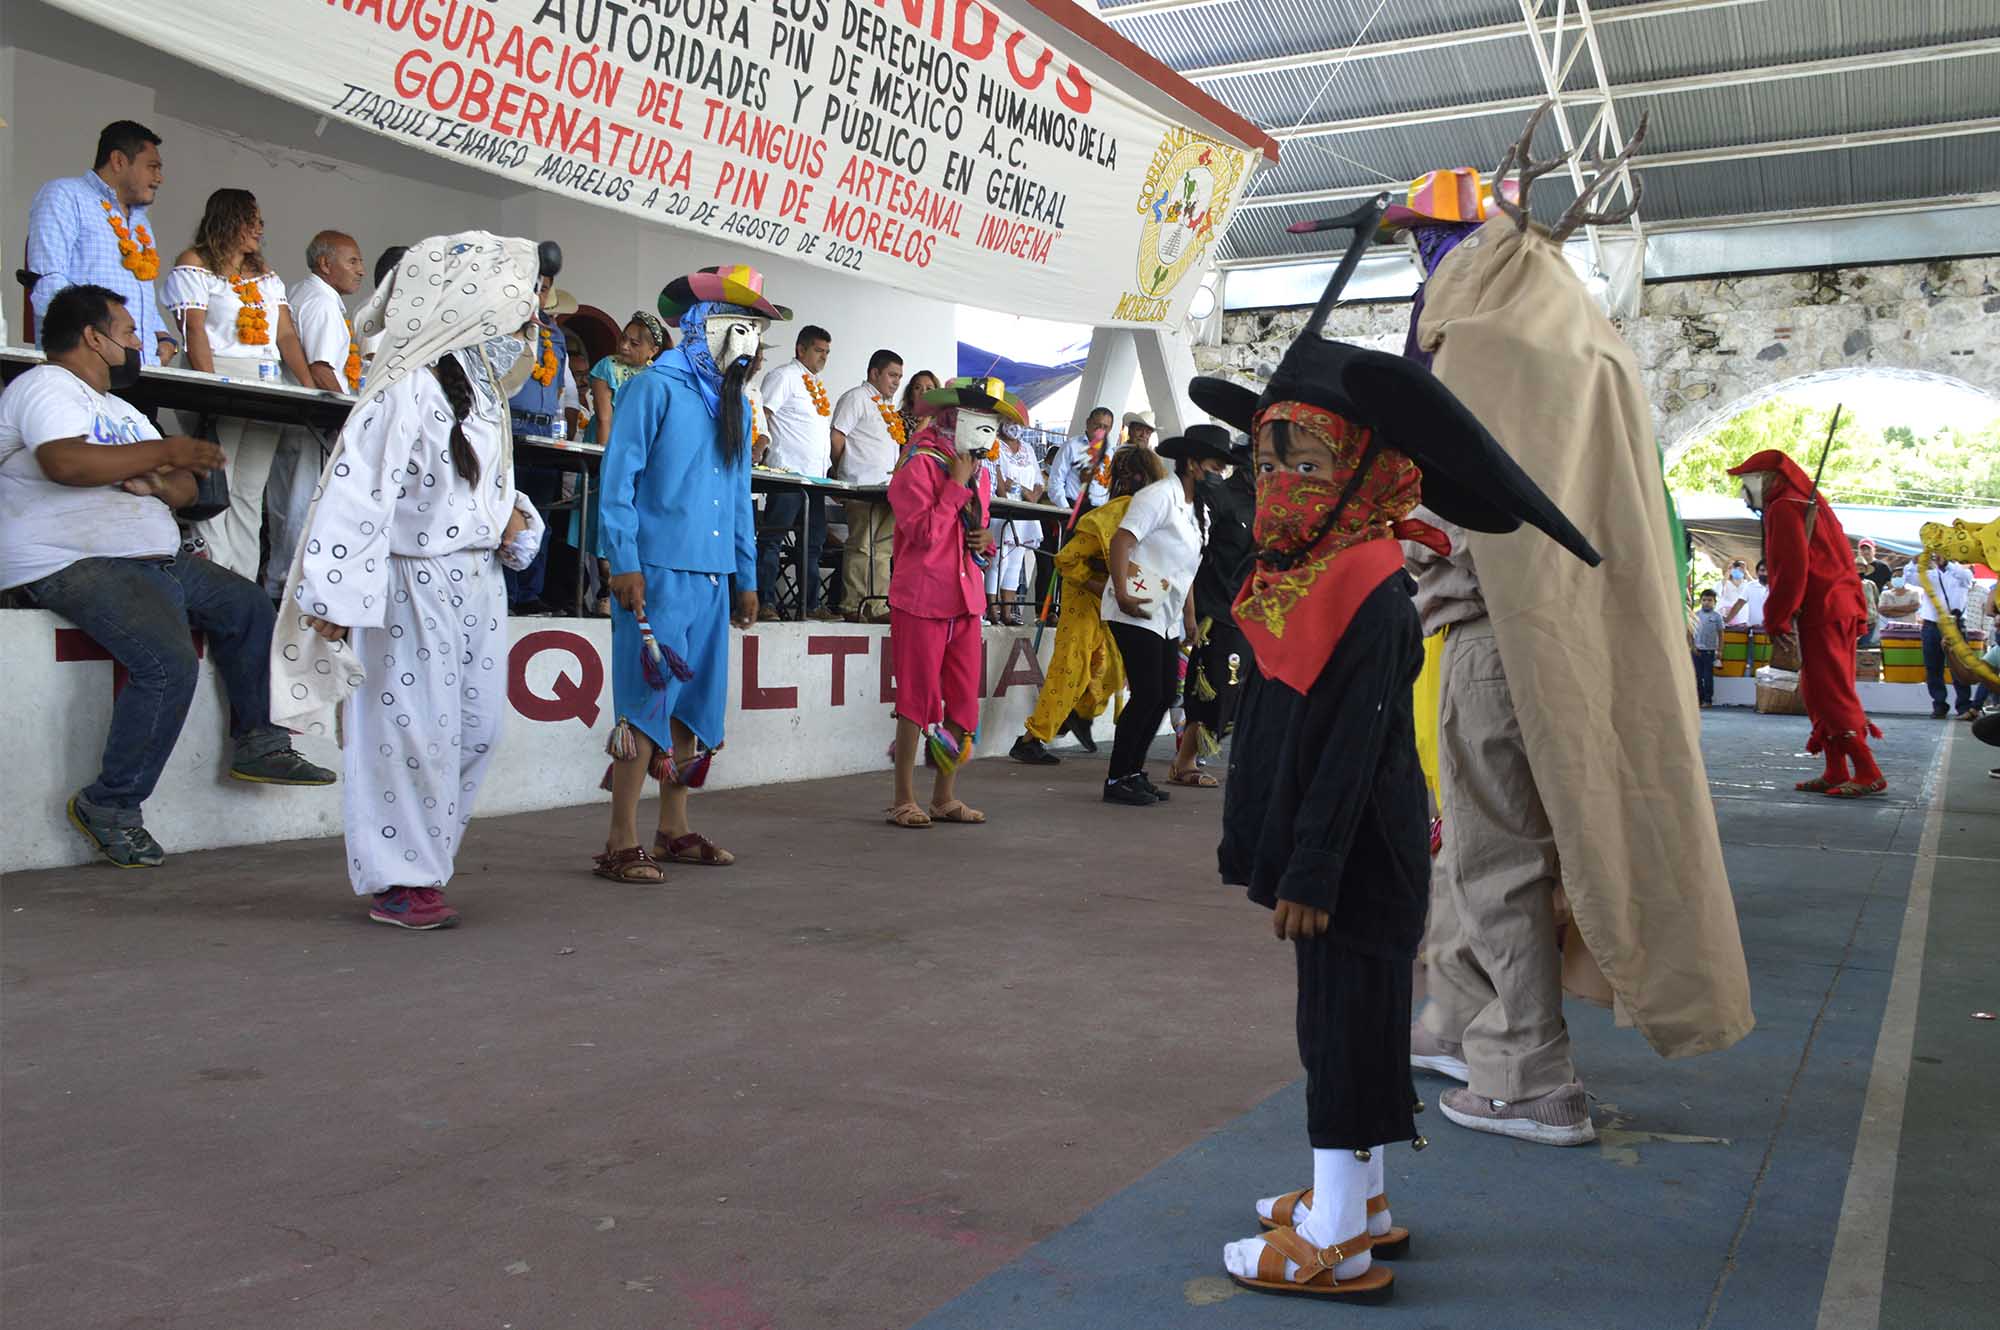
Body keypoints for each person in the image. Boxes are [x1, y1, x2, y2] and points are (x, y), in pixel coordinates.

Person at [1188, 203, 1602, 1298]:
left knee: (1342, 1032)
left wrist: (1312, 868)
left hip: (1353, 863)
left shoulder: (1365, 585)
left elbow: (1357, 742)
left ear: (1365, 470)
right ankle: (1357, 1197)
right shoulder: (1303, 572)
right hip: (1334, 860)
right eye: (1266, 448)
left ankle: (1331, 1230)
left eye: (1301, 452)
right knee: (1352, 1023)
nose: (1273, 474)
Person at [1392, 136, 1751, 1153]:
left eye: (1425, 239)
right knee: (1481, 838)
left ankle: (1524, 1074)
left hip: (1495, 628)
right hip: (1563, 631)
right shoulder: (1575, 332)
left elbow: (1446, 510)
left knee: (1497, 847)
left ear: (1465, 241)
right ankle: (1459, 1020)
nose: (1417, 260)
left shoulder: (1475, 340)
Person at [3, 284, 334, 868]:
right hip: (69, 559)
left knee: (250, 608)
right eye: (129, 334)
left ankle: (259, 741)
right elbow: (66, 462)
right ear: (93, 338)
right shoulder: (46, 386)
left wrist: (160, 477)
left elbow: (186, 490)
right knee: (166, 662)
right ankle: (112, 804)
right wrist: (164, 454)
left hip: (156, 560)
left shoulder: (124, 413)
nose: (138, 345)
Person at [270, 232, 545, 930]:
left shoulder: (485, 392)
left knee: (477, 731)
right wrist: (334, 597)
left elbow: (494, 485)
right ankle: (403, 880)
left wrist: (516, 522)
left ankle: (425, 863)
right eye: (516, 308)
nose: (527, 324)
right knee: (409, 731)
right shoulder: (404, 388)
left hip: (478, 581)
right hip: (410, 581)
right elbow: (359, 491)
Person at [595, 265, 783, 881]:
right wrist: (621, 562)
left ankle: (672, 827)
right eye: (740, 328)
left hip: (711, 576)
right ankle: (621, 840)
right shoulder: (654, 388)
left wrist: (746, 576)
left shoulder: (735, 406)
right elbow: (617, 482)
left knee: (693, 707)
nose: (749, 344)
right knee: (646, 702)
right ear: (704, 328)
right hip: (655, 569)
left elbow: (736, 498)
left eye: (756, 332)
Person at [882, 377, 1022, 828]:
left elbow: (973, 533)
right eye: (981, 421)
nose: (987, 431)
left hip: (966, 598)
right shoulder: (919, 462)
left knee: (962, 701)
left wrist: (985, 542)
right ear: (954, 418)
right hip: (922, 595)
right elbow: (922, 533)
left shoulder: (975, 469)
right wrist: (957, 486)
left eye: (992, 424)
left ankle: (944, 796)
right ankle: (904, 798)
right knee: (915, 699)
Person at [164, 188, 314, 580]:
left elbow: (285, 337)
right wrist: (211, 389)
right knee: (218, 481)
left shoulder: (266, 276)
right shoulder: (194, 264)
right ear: (230, 219)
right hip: (218, 377)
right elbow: (193, 330)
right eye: (254, 220)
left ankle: (244, 580)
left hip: (266, 384)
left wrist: (311, 388)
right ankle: (216, 571)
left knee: (250, 489)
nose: (260, 229)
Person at [1728, 451, 1888, 793]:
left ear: (1764, 479)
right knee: (1819, 690)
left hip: (1825, 608)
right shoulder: (1805, 501)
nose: (1743, 489)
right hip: (1837, 605)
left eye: (1747, 480)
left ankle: (1867, 770)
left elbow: (1791, 569)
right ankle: (1835, 769)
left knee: (1830, 691)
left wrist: (1777, 616)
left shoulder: (1785, 506)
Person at [1009, 446, 1163, 765]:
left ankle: (1076, 714)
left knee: (1109, 669)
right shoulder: (1105, 517)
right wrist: (1104, 587)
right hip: (1085, 599)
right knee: (1071, 669)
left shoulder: (1145, 512)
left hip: (1110, 603)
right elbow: (1066, 560)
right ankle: (1030, 739)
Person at [1100, 423, 1208, 806]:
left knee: (1162, 696)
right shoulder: (1160, 495)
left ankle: (1133, 772)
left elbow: (1188, 568)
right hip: (1134, 606)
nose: (1220, 474)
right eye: (1215, 465)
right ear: (1194, 464)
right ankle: (1117, 778)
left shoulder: (1199, 511)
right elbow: (1121, 541)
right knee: (1148, 693)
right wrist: (1123, 591)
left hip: (1165, 613)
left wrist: (1190, 617)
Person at [264, 230, 368, 600]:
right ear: (325, 264)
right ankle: (287, 587)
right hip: (314, 420)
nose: (361, 270)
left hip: (298, 418)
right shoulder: (321, 302)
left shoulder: (303, 292)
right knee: (303, 504)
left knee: (287, 503)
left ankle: (282, 580)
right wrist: (351, 417)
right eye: (352, 260)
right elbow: (323, 369)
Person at [27, 121, 177, 367]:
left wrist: (163, 337)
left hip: (141, 368)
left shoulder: (140, 222)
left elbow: (138, 294)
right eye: (152, 167)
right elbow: (48, 283)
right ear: (118, 161)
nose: (159, 178)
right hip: (86, 365)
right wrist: (98, 339)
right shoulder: (65, 195)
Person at [574, 312, 669, 614]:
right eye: (623, 339)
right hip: (609, 451)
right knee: (607, 517)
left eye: (635, 342)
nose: (625, 346)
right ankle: (605, 590)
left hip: (642, 459)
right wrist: (610, 465)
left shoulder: (658, 377)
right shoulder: (607, 368)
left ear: (653, 351)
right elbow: (604, 418)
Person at [1174, 429, 1256, 780]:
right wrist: (1191, 610)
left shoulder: (1270, 503)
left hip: (1253, 611)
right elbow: (1193, 552)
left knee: (1237, 692)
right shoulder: (1219, 497)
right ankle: (1185, 761)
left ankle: (1187, 761)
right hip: (1217, 609)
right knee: (1220, 686)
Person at [502, 243, 571, 615]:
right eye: (534, 286)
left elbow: (557, 387)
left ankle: (530, 593)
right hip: (511, 430)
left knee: (540, 515)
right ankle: (508, 593)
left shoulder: (555, 334)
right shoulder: (504, 326)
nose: (539, 294)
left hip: (545, 434)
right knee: (510, 514)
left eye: (544, 288)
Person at [756, 325, 838, 622]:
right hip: (787, 475)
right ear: (800, 349)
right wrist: (757, 451)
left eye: (827, 352)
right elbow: (762, 416)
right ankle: (764, 602)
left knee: (813, 543)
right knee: (773, 539)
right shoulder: (783, 377)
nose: (823, 357)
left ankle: (811, 604)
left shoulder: (815, 385)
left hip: (815, 480)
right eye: (818, 350)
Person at [830, 349, 905, 621]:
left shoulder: (887, 407)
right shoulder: (855, 398)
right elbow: (837, 438)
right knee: (861, 546)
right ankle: (854, 606)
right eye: (892, 375)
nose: (897, 382)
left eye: (899, 377)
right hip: (862, 488)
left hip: (887, 491)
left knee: (883, 550)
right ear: (874, 373)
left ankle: (878, 606)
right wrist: (843, 474)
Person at [983, 420, 1045, 625]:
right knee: (999, 560)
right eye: (1010, 421)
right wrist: (1013, 493)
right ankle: (991, 610)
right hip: (1002, 510)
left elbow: (1038, 483)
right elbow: (1000, 483)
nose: (1014, 426)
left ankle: (1008, 613)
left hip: (1024, 512)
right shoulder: (995, 444)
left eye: (1018, 422)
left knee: (1016, 562)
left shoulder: (1027, 448)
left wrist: (1025, 492)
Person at [1912, 553, 1976, 719]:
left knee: (1958, 667)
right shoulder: (1930, 575)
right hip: (1931, 625)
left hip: (1954, 624)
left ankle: (1963, 706)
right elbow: (1909, 578)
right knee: (1933, 667)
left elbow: (1965, 576)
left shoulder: (1962, 574)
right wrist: (1914, 562)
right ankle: (1939, 705)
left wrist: (1946, 564)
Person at [1691, 588, 1723, 707]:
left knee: (1707, 676)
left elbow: (1721, 634)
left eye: (1710, 600)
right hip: (1696, 650)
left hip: (1709, 651)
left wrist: (1720, 650)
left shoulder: (1717, 617)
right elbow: (1691, 633)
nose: (1707, 602)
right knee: (1697, 675)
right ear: (1700, 601)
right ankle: (1699, 699)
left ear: (1715, 602)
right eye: (1704, 600)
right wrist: (1692, 646)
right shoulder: (1695, 615)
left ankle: (1708, 700)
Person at [897, 369, 939, 443]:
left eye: (929, 388)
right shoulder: (897, 419)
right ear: (911, 395)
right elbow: (910, 448)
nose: (923, 392)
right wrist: (928, 415)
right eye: (917, 388)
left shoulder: (941, 421)